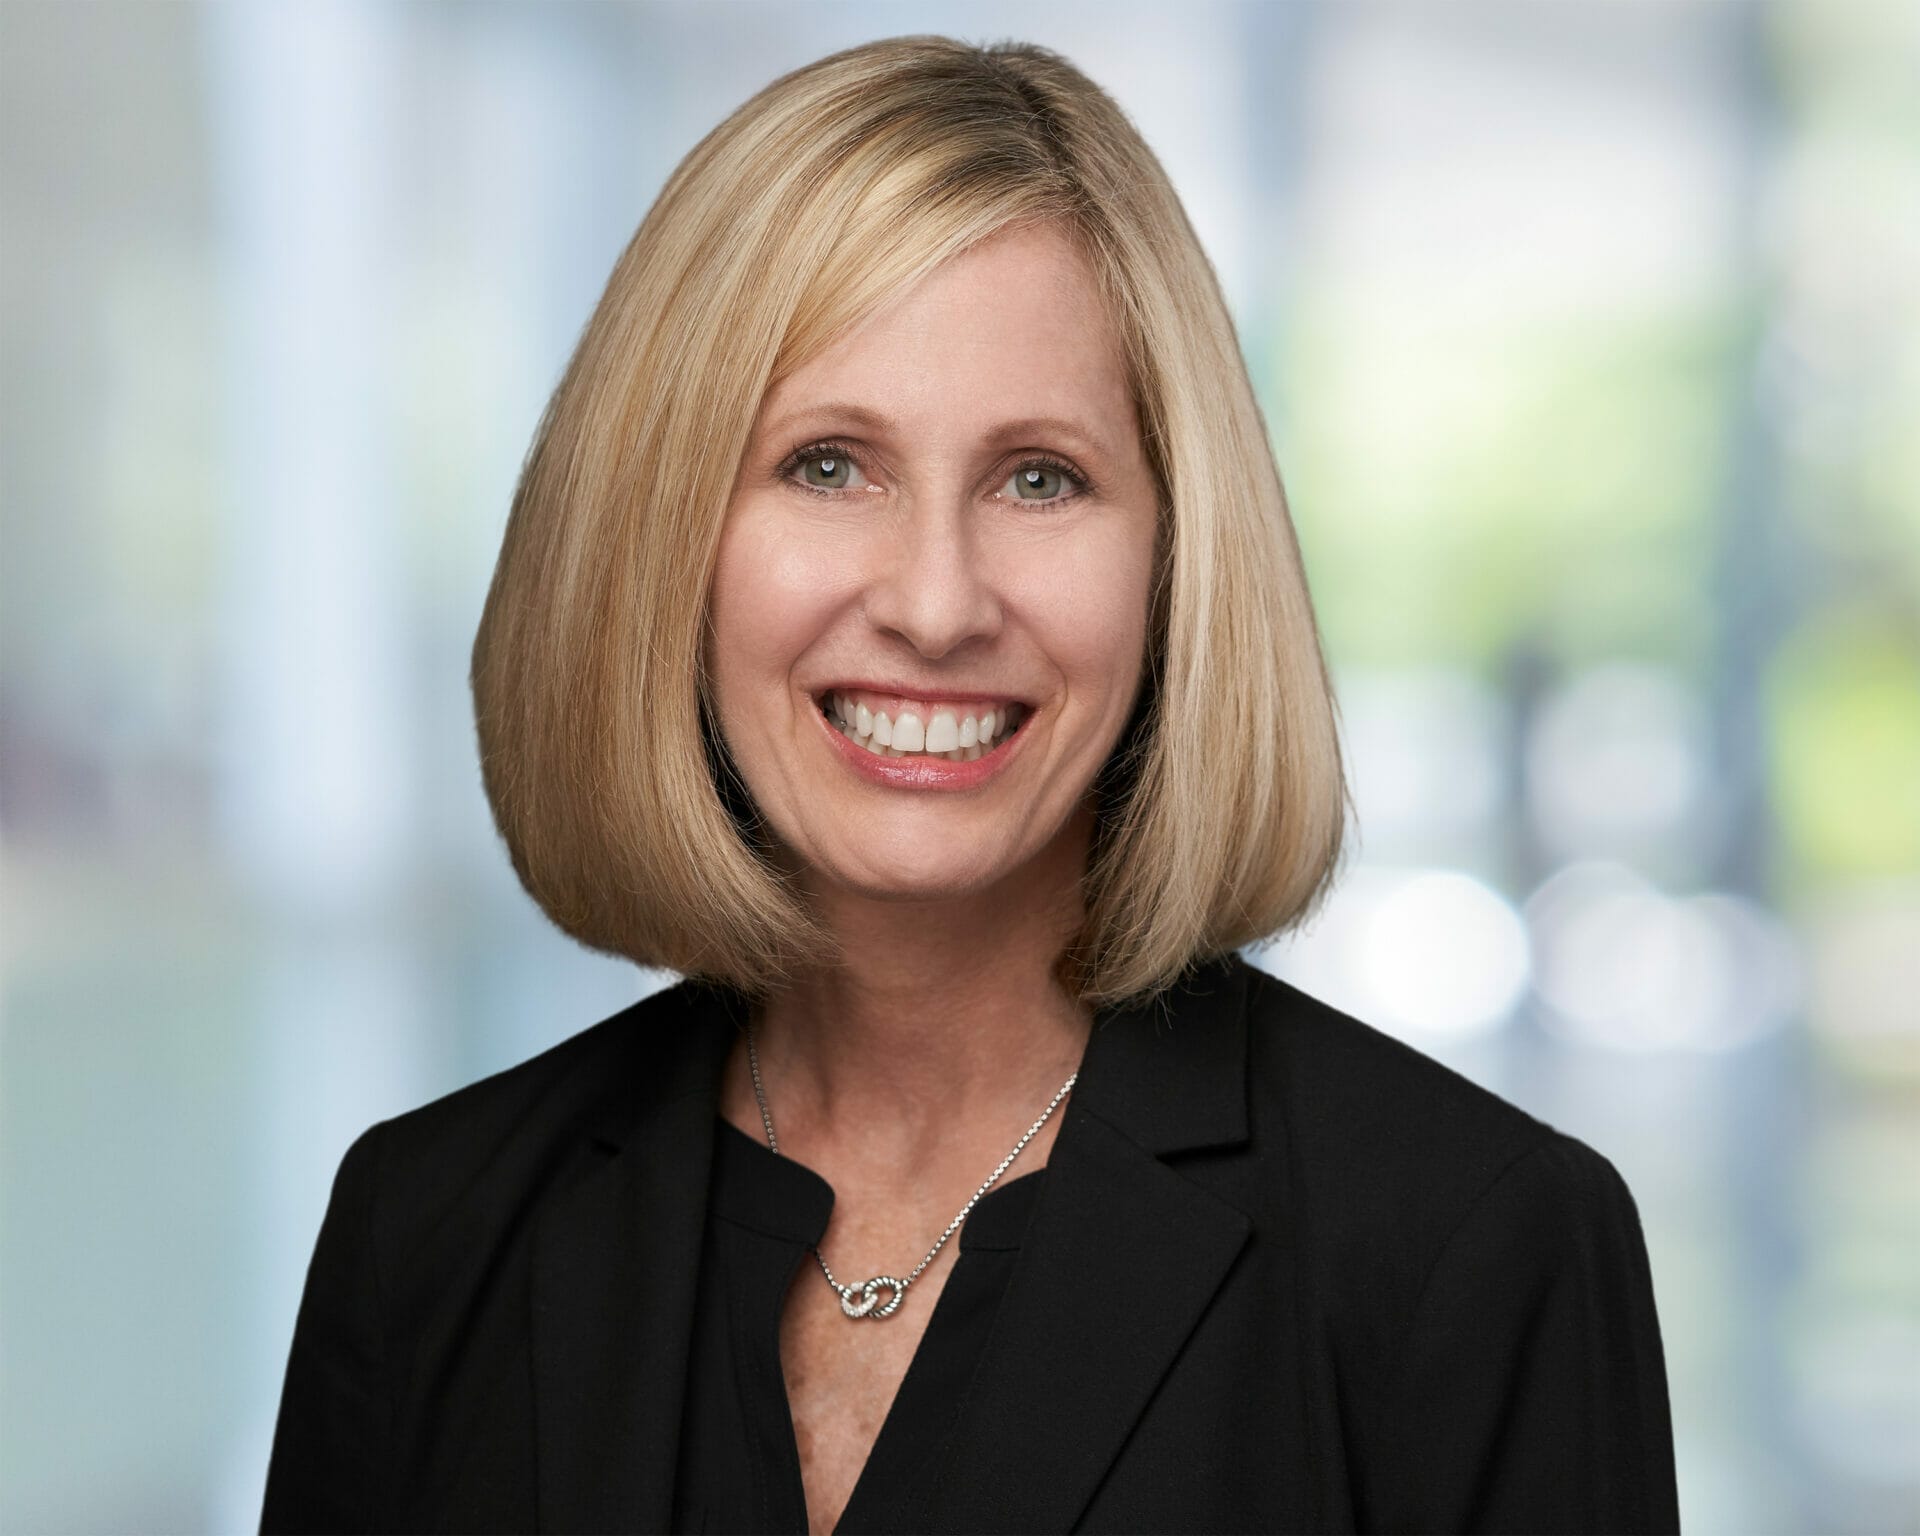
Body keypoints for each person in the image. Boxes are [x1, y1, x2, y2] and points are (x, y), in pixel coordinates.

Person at [260, 34, 1680, 1536]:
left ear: (1175, 563)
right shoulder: (430, 1230)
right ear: (660, 536)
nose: (936, 604)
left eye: (1040, 478)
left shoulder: (1475, 1250)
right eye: (826, 465)